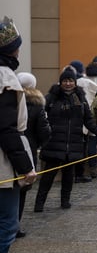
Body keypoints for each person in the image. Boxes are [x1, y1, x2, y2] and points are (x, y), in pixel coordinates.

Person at [0, 17, 37, 253]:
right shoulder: (5, 77)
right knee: (6, 227)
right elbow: (7, 129)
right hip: (2, 163)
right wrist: (25, 166)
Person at [34, 67, 97, 211]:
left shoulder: (80, 98)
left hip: (73, 143)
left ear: (75, 82)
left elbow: (88, 120)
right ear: (60, 82)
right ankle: (39, 204)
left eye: (70, 81)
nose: (68, 84)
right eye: (65, 81)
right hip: (54, 143)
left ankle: (65, 201)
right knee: (48, 176)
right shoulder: (51, 97)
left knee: (69, 176)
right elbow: (41, 118)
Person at [17, 72, 49, 237]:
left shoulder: (9, 99)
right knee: (22, 188)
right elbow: (44, 131)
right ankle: (15, 225)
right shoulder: (37, 105)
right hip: (27, 149)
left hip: (8, 148)